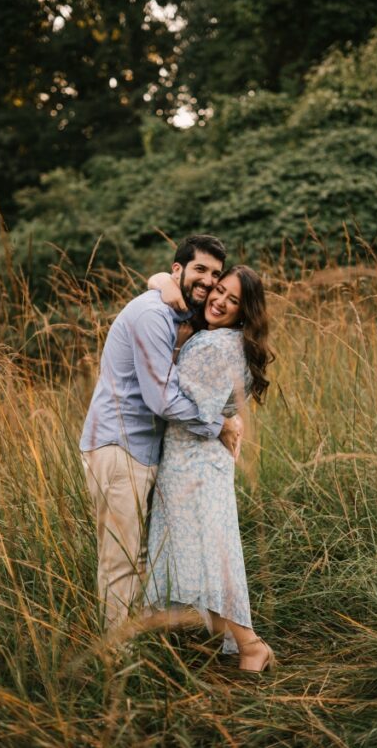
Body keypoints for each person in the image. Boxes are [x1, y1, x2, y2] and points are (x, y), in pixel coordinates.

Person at [78, 235, 243, 631]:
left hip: (140, 451)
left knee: (136, 558)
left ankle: (135, 644)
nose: (207, 282)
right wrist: (217, 424)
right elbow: (162, 400)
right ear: (178, 269)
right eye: (199, 270)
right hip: (120, 448)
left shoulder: (178, 312)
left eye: (215, 275)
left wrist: (162, 283)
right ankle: (117, 662)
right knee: (121, 561)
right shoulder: (154, 315)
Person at [145, 265, 276, 672]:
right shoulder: (224, 340)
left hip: (193, 467)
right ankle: (248, 645)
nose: (218, 300)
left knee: (205, 564)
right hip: (199, 464)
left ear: (244, 311)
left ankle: (250, 646)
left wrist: (176, 350)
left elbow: (170, 398)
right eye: (218, 290)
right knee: (206, 562)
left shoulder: (215, 346)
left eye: (232, 299)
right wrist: (165, 284)